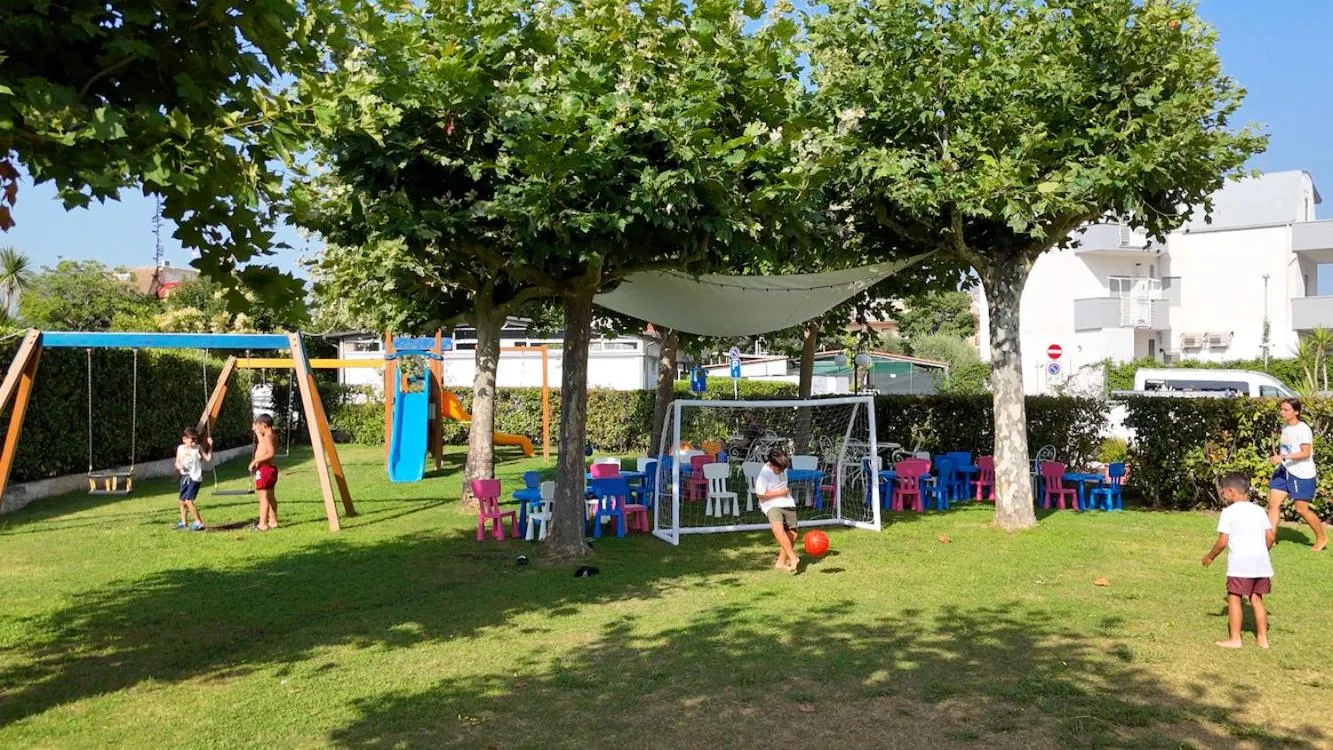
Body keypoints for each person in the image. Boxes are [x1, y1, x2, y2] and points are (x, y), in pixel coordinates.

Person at [1203, 472, 1275, 649]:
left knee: (1234, 598)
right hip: (1261, 564)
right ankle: (1263, 639)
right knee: (1256, 599)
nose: (1223, 495)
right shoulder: (1259, 511)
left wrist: (1210, 556)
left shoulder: (1229, 512)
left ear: (1231, 492)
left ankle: (1235, 639)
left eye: (1223, 492)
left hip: (1240, 565)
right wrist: (1263, 551)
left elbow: (1222, 541)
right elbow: (1270, 537)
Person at [1266, 398, 1327, 552]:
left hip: (1301, 474)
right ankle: (1270, 538)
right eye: (1281, 409)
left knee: (1301, 510)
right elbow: (1288, 448)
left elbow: (1305, 453)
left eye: (1286, 410)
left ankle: (1321, 538)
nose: (1282, 412)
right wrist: (1280, 458)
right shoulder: (1285, 427)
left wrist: (1283, 457)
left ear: (1296, 412)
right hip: (1284, 470)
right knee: (1273, 504)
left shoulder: (1303, 429)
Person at [753, 446, 799, 572]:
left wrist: (784, 493)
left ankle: (780, 562)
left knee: (793, 534)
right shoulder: (764, 473)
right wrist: (779, 493)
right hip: (771, 504)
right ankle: (793, 557)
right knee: (778, 529)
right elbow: (760, 494)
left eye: (783, 469)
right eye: (779, 469)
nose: (781, 471)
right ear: (772, 465)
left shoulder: (782, 466)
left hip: (787, 502)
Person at [174, 427, 212, 531]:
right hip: (184, 477)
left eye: (196, 439)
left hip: (195, 478)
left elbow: (208, 458)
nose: (194, 442)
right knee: (182, 501)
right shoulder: (180, 448)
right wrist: (179, 466)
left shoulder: (198, 448)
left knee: (188, 501)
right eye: (192, 439)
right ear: (184, 439)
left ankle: (199, 523)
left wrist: (210, 446)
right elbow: (177, 462)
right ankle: (184, 523)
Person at [249, 414, 280, 531]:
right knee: (270, 496)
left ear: (264, 425)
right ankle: (273, 521)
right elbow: (263, 445)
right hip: (269, 469)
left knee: (263, 497)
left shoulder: (268, 437)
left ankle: (262, 524)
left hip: (265, 470)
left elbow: (270, 453)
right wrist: (257, 432)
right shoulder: (272, 436)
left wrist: (255, 461)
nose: (257, 428)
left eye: (258, 426)